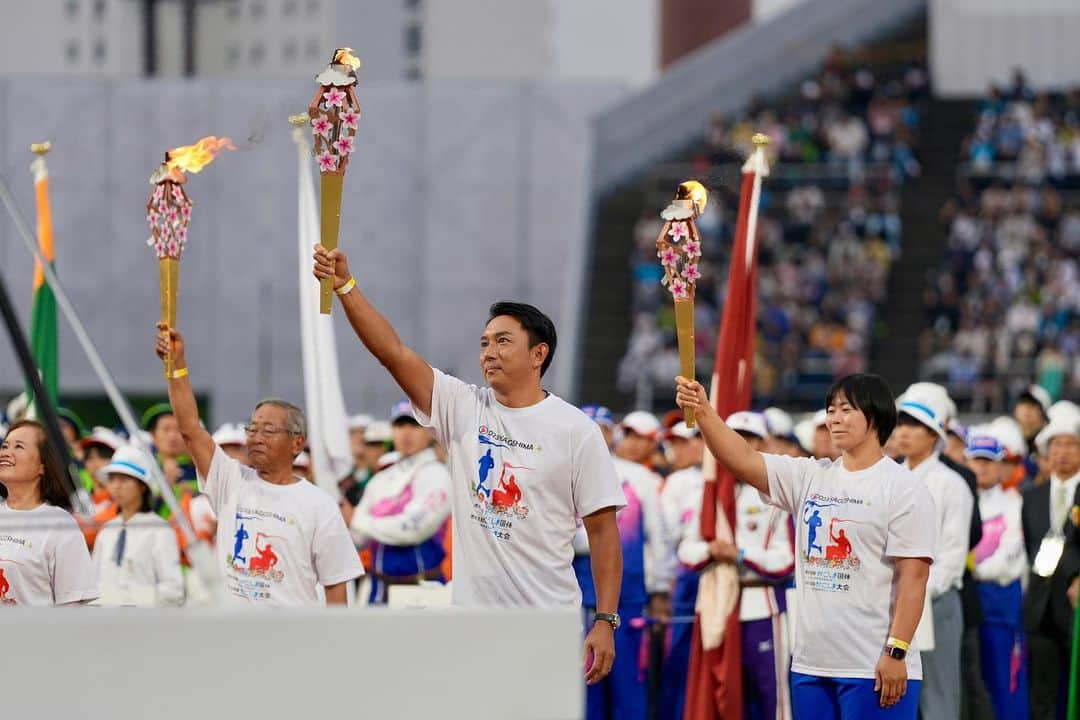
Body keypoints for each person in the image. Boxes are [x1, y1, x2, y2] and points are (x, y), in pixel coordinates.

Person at [313, 244, 625, 685]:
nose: (488, 352)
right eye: (484, 343)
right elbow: (394, 353)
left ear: (539, 355)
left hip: (546, 625)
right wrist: (345, 286)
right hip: (471, 624)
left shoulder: (576, 431)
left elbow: (603, 531)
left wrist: (605, 620)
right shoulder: (464, 408)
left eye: (503, 341)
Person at [674, 373, 935, 718]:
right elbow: (743, 459)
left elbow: (913, 579)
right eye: (831, 410)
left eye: (846, 409)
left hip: (872, 666)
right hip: (812, 665)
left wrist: (897, 651)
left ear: (875, 417)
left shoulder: (903, 488)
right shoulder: (811, 475)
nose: (834, 418)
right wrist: (704, 412)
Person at [155, 323, 363, 606]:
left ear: (297, 443)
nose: (255, 438)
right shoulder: (230, 480)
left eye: (268, 431)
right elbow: (190, 428)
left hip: (290, 640)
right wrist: (176, 366)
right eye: (252, 429)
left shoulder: (320, 505)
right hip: (232, 636)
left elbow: (336, 586)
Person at [674, 411, 794, 720]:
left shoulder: (778, 493)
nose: (741, 443)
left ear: (763, 443)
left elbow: (786, 561)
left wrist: (741, 555)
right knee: (720, 697)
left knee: (771, 696)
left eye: (750, 438)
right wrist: (712, 551)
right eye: (735, 436)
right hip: (716, 605)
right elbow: (686, 550)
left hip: (761, 606)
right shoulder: (709, 491)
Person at [574, 407, 669, 720]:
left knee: (627, 685)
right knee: (583, 687)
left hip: (627, 598)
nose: (596, 436)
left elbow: (658, 536)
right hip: (578, 594)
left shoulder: (641, 478)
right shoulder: (568, 470)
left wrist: (658, 591)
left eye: (602, 429)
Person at [894, 389, 974, 720]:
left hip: (935, 601)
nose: (904, 433)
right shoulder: (888, 477)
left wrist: (915, 592)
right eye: (901, 425)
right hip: (891, 601)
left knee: (938, 694)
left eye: (914, 426)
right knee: (894, 693)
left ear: (934, 434)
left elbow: (954, 557)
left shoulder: (952, 484)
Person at [346, 400, 451, 604]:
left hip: (421, 590)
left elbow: (412, 529)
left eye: (414, 425)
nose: (406, 433)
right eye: (400, 425)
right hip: (378, 589)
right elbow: (358, 539)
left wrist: (358, 520)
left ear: (429, 431)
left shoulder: (437, 475)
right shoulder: (381, 480)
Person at [965, 431, 1030, 719]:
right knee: (970, 681)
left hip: (1000, 603)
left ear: (1000, 465)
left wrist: (969, 568)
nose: (981, 468)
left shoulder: (1014, 504)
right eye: (976, 461)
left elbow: (1011, 557)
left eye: (988, 462)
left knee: (1005, 678)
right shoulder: (960, 497)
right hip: (967, 598)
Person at [0, 420, 98, 605]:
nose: (5, 452)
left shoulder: (59, 524)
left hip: (35, 633)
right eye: (4, 446)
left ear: (42, 465)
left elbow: (71, 608)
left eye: (18, 446)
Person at [1022, 415, 1080, 719]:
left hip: (1075, 605)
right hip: (1040, 609)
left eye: (1071, 444)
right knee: (1041, 694)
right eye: (1057, 444)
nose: (1063, 451)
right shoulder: (1030, 496)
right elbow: (1028, 547)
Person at [92, 445, 184, 607]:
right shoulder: (107, 530)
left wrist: (128, 598)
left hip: (144, 624)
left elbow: (174, 591)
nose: (116, 486)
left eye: (124, 479)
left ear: (142, 486)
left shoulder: (160, 530)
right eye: (112, 479)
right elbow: (93, 583)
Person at [658, 420, 705, 720]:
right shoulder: (677, 481)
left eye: (685, 442)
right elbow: (666, 535)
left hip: (721, 572)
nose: (676, 450)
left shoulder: (729, 475)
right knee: (679, 655)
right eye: (672, 444)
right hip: (686, 574)